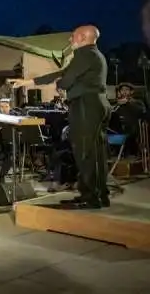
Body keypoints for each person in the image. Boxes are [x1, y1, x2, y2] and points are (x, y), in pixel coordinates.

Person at [12, 25, 110, 209]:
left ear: (82, 37)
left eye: (72, 36)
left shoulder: (84, 54)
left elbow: (65, 80)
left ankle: (90, 197)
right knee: (96, 153)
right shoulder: (94, 55)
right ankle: (99, 195)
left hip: (85, 105)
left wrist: (61, 85)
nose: (69, 39)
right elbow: (62, 74)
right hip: (96, 104)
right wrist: (28, 82)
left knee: (84, 152)